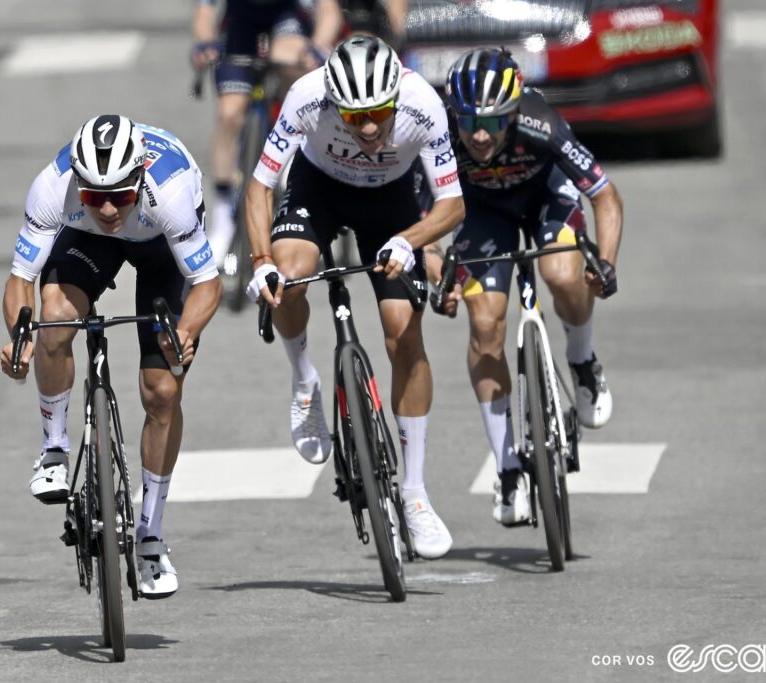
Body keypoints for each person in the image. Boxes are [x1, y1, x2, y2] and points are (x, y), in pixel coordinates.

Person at [244, 35, 466, 559]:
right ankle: (305, 380)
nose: (367, 128)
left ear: (395, 98)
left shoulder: (422, 106)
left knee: (402, 334)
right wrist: (261, 263)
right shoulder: (306, 96)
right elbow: (260, 187)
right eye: (353, 117)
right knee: (291, 277)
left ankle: (414, 494)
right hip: (318, 188)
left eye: (377, 114)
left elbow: (452, 203)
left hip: (391, 203)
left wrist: (410, 241)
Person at [0, 115, 222, 598]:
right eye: (93, 195)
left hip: (163, 249)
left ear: (139, 178)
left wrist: (186, 331)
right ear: (77, 181)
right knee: (54, 319)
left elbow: (208, 283)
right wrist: (21, 336)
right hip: (90, 247)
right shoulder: (53, 185)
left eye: (119, 195)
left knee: (162, 391)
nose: (105, 207)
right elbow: (21, 277)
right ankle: (54, 448)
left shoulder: (172, 192)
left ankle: (151, 535)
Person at [424, 48, 621, 527]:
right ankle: (508, 467)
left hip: (545, 200)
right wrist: (438, 280)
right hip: (482, 212)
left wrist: (608, 263)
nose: (480, 135)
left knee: (561, 274)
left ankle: (582, 359)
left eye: (494, 122)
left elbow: (606, 197)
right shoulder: (439, 137)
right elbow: (419, 227)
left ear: (514, 112)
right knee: (485, 323)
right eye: (469, 121)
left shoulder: (543, 125)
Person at [191, 0, 343, 270]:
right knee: (229, 112)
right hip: (241, 24)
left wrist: (318, 46)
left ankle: (290, 146)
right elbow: (204, 11)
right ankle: (224, 212)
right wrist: (206, 43)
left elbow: (329, 10)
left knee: (292, 58)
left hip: (287, 19)